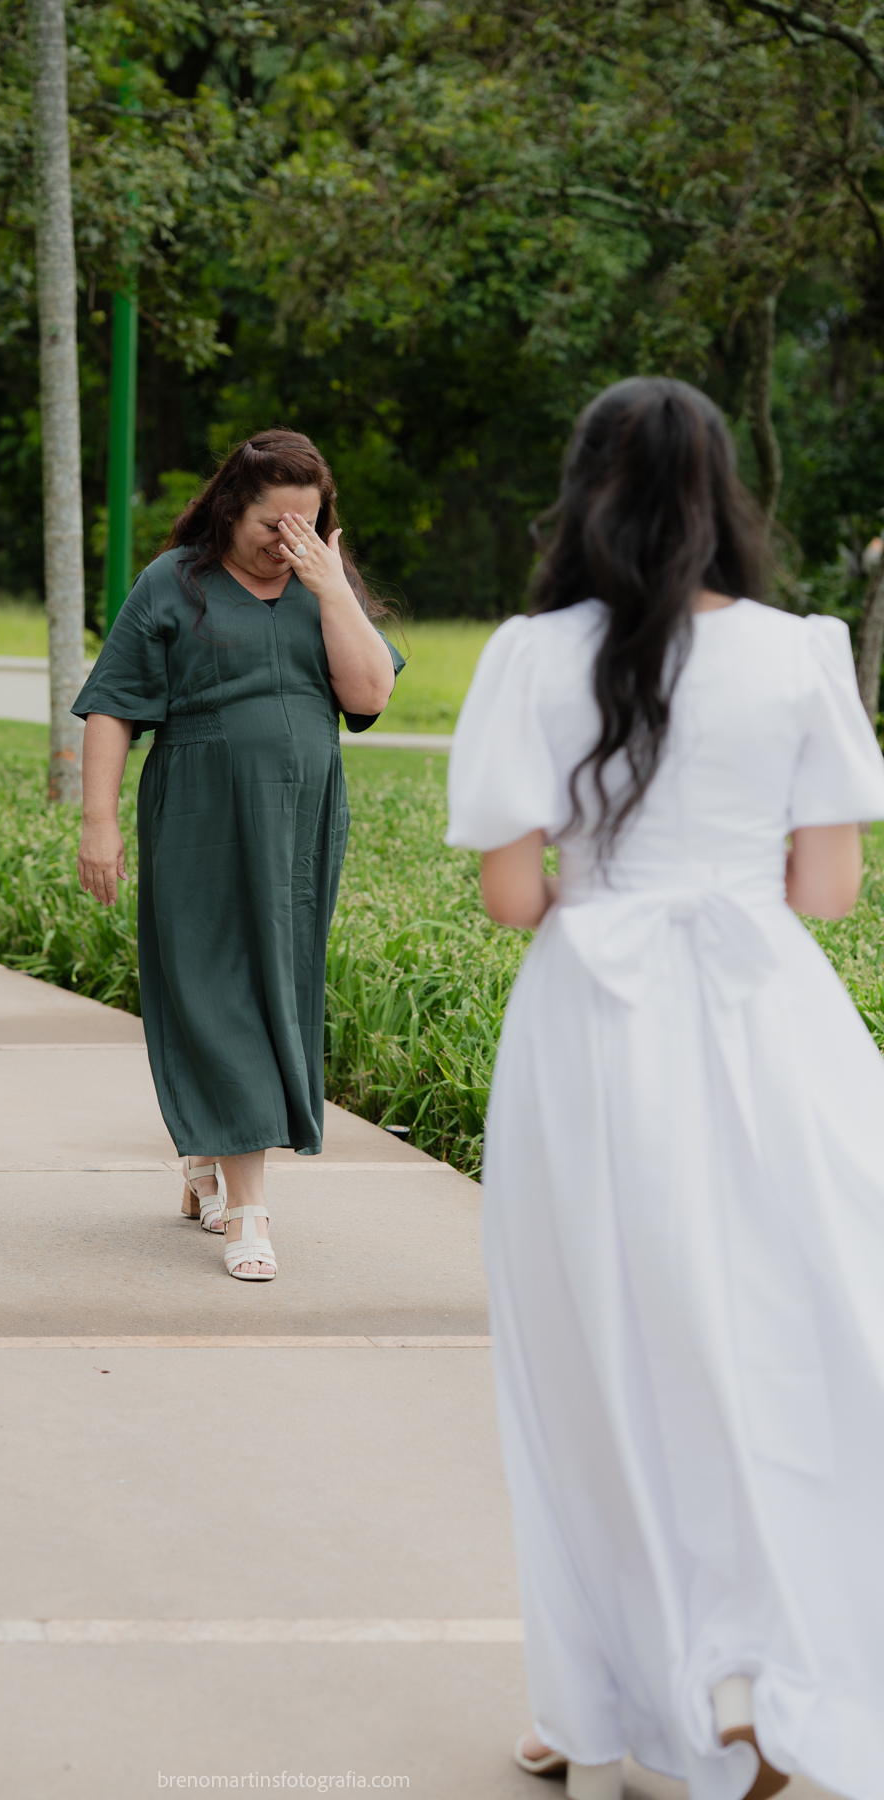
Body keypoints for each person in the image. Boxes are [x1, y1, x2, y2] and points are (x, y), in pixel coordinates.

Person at [447, 378, 884, 1800]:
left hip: (596, 1031)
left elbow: (515, 897)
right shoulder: (803, 653)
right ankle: (776, 1677)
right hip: (769, 1028)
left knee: (599, 1370)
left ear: (585, 494)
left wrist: (622, 881)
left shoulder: (531, 658)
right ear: (721, 494)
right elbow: (828, 890)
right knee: (781, 1349)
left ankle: (604, 1702)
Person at [74, 430, 402, 1280]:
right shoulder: (172, 581)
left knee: (273, 987)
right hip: (200, 813)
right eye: (272, 524)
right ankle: (249, 1211)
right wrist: (99, 823)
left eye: (307, 524)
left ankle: (206, 1157)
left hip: (299, 821)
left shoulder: (324, 585)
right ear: (230, 509)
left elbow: (369, 694)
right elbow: (113, 707)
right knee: (213, 987)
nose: (288, 541)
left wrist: (332, 588)